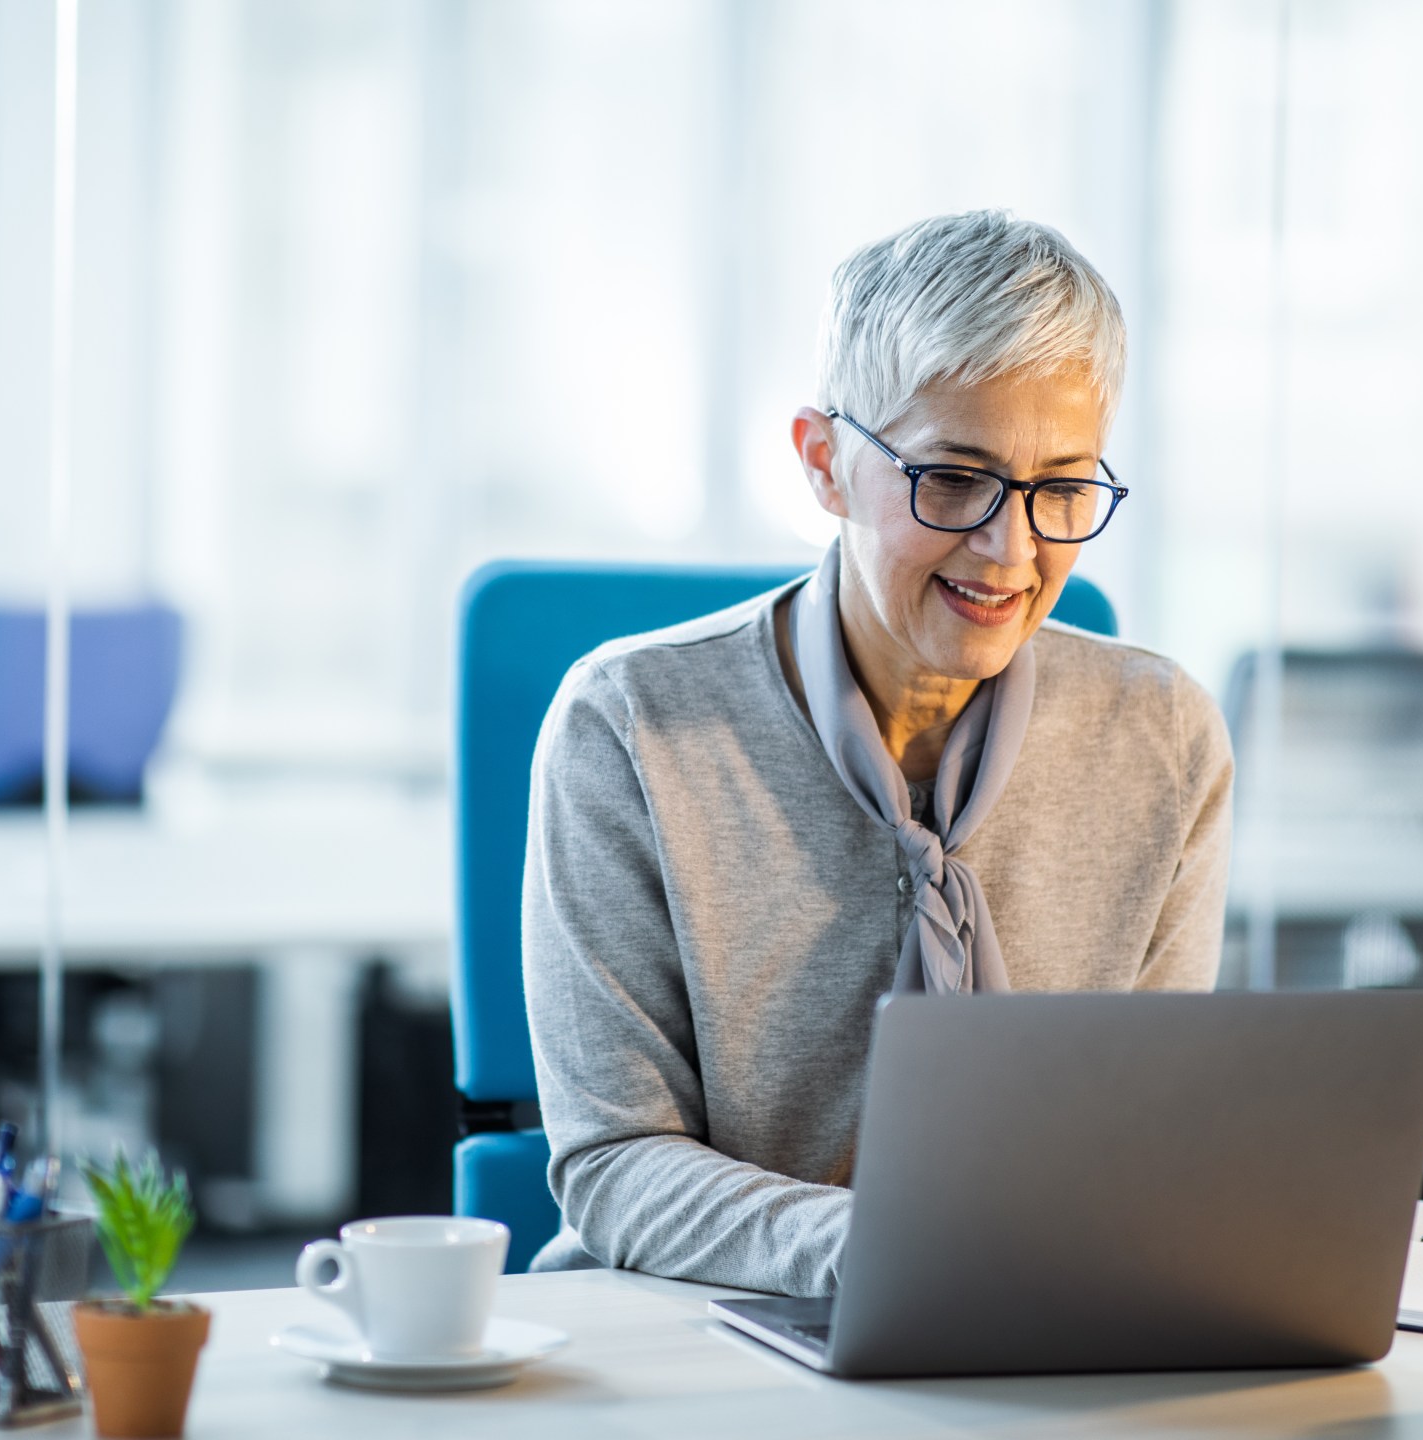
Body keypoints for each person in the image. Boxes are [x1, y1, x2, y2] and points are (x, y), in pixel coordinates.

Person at [520, 210, 1235, 1296]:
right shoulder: (629, 727)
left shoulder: (1162, 736)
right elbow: (614, 1164)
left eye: (1062, 488)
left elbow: (1150, 1142)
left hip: (1031, 1329)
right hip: (703, 1328)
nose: (1012, 549)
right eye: (953, 479)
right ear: (824, 463)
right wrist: (891, 1255)